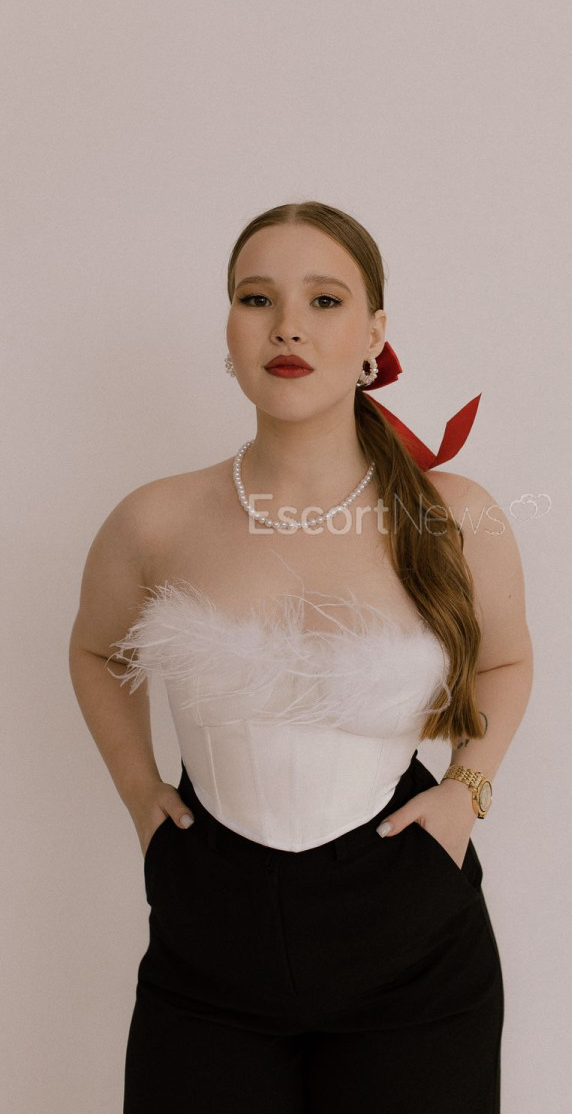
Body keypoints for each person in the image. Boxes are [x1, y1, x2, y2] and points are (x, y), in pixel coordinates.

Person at [68, 201, 534, 1113]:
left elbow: (506, 663)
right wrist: (137, 791)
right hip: (207, 939)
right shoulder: (154, 519)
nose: (287, 325)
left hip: (414, 945)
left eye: (325, 300)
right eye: (257, 298)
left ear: (375, 337)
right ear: (230, 330)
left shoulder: (453, 514)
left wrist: (467, 792)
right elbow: (95, 650)